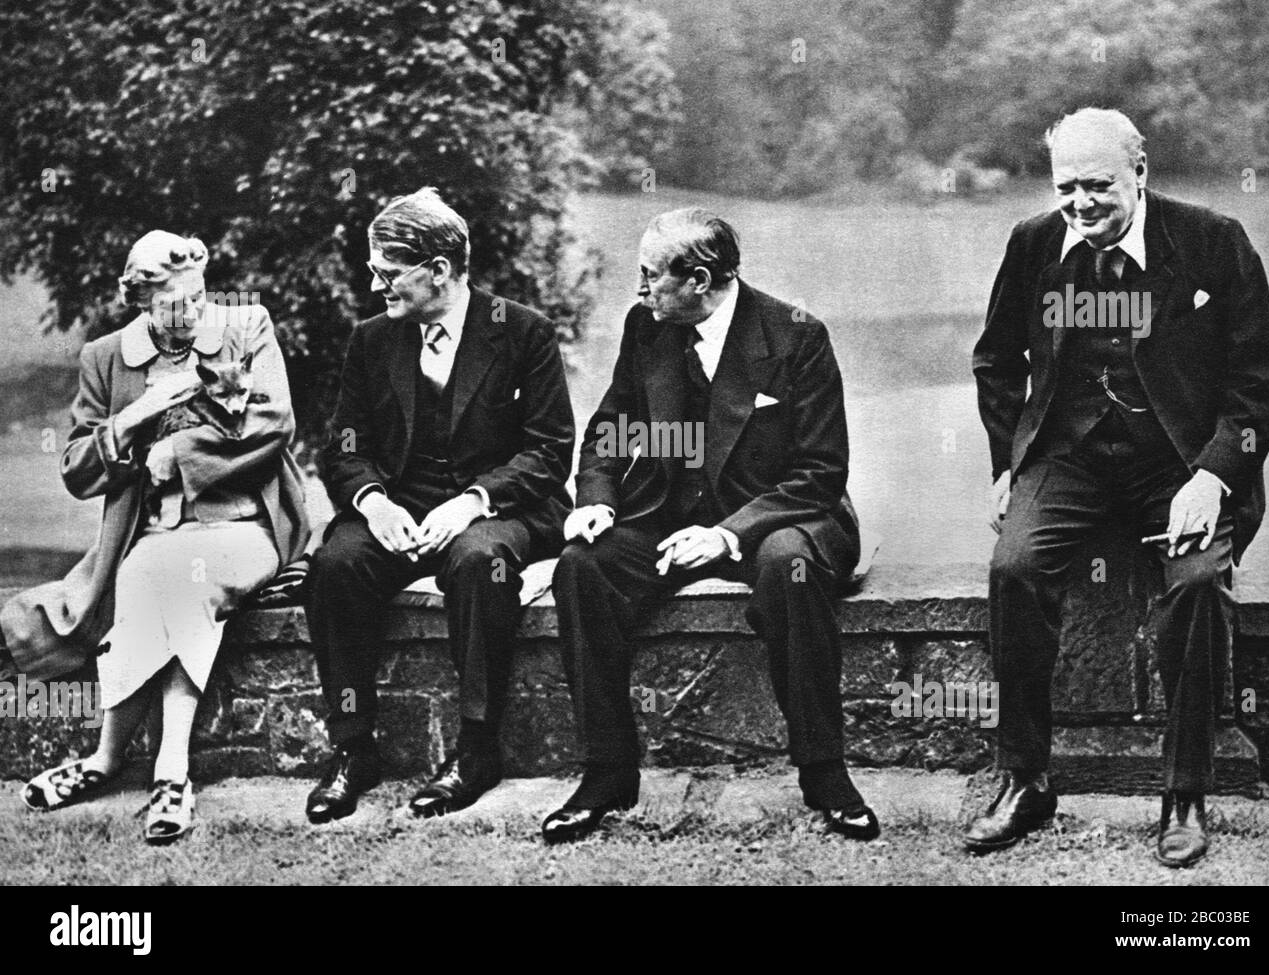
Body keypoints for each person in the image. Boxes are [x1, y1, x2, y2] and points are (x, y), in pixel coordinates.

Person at [970, 108, 1269, 866]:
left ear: (1140, 173)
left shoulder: (1213, 242)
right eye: (1066, 187)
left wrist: (1212, 478)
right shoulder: (1035, 244)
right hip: (1068, 457)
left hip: (1179, 460)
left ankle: (1184, 790)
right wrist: (1008, 464)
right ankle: (1025, 775)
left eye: (1099, 185)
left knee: (1199, 582)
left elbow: (1257, 384)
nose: (1080, 204)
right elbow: (995, 361)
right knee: (1014, 568)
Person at [541, 207, 877, 845]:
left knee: (788, 567)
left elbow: (820, 471)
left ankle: (824, 772)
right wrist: (597, 498)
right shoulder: (648, 327)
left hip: (784, 514)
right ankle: (606, 772)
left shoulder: (796, 335)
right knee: (584, 565)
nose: (639, 291)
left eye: (649, 276)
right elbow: (612, 426)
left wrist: (728, 535)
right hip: (670, 516)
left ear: (698, 278)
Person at [3, 230, 310, 843]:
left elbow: (274, 422)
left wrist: (176, 451)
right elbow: (77, 471)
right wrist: (135, 418)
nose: (192, 312)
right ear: (141, 302)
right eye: (174, 304)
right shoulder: (106, 356)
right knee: (144, 573)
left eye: (198, 296)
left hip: (242, 524)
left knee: (172, 579)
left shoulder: (247, 326)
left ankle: (164, 770)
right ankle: (113, 763)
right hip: (152, 531)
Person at [304, 187, 574, 823]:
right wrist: (373, 504)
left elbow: (549, 451)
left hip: (503, 505)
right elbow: (343, 447)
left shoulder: (523, 332)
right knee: (335, 567)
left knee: (481, 563)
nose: (377, 288)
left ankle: (476, 749)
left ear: (440, 270)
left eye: (388, 274)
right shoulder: (372, 342)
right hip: (401, 503)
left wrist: (474, 502)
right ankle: (351, 749)